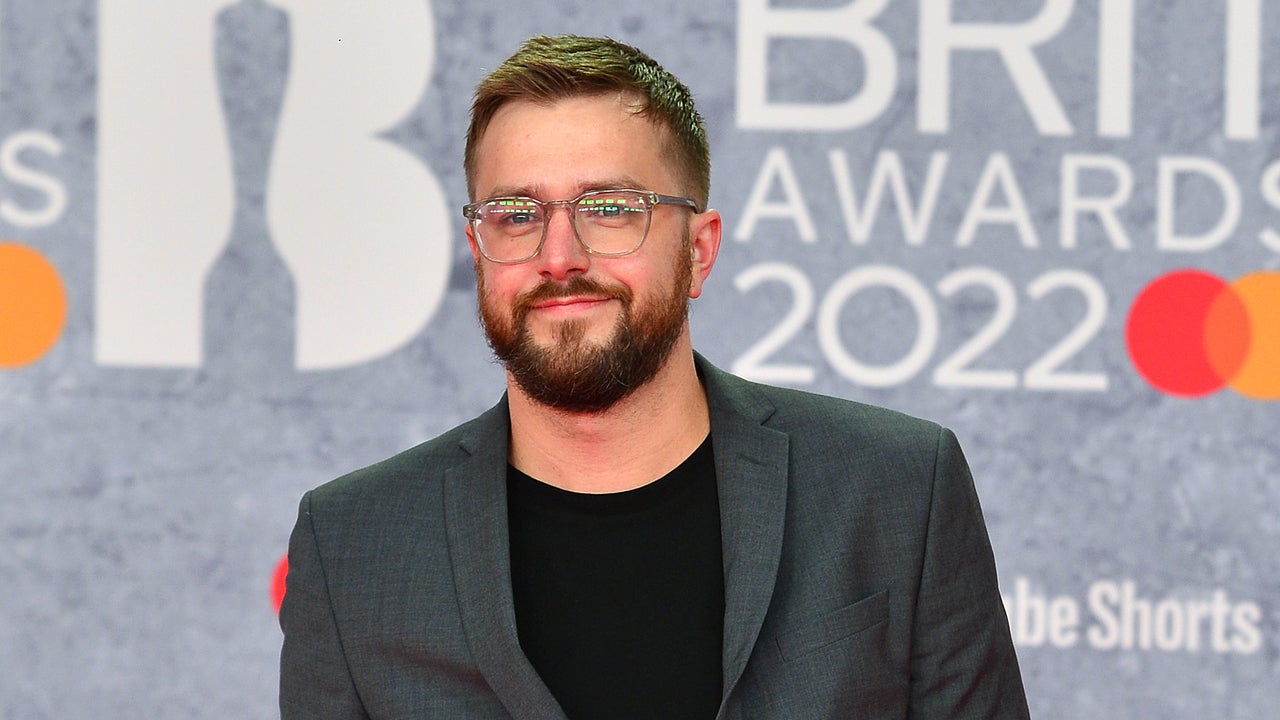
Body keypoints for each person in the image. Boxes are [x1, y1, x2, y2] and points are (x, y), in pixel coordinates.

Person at [279, 34, 1030, 720]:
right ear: (479, 252)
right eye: (516, 214)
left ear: (699, 251)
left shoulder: (897, 487)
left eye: (609, 208)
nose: (559, 256)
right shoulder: (353, 547)